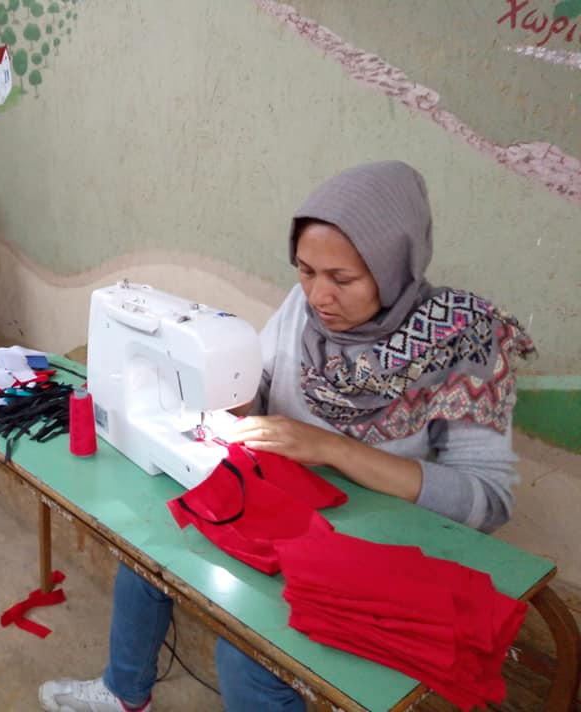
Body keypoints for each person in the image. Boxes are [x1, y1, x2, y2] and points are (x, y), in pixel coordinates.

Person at [38, 161, 535, 712]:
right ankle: (124, 693)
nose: (319, 296)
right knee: (149, 546)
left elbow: (488, 501)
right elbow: (256, 382)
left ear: (395, 264)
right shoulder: (302, 311)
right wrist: (215, 402)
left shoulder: (465, 340)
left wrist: (335, 450)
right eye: (306, 271)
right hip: (283, 503)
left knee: (247, 654)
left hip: (374, 542)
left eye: (342, 279)